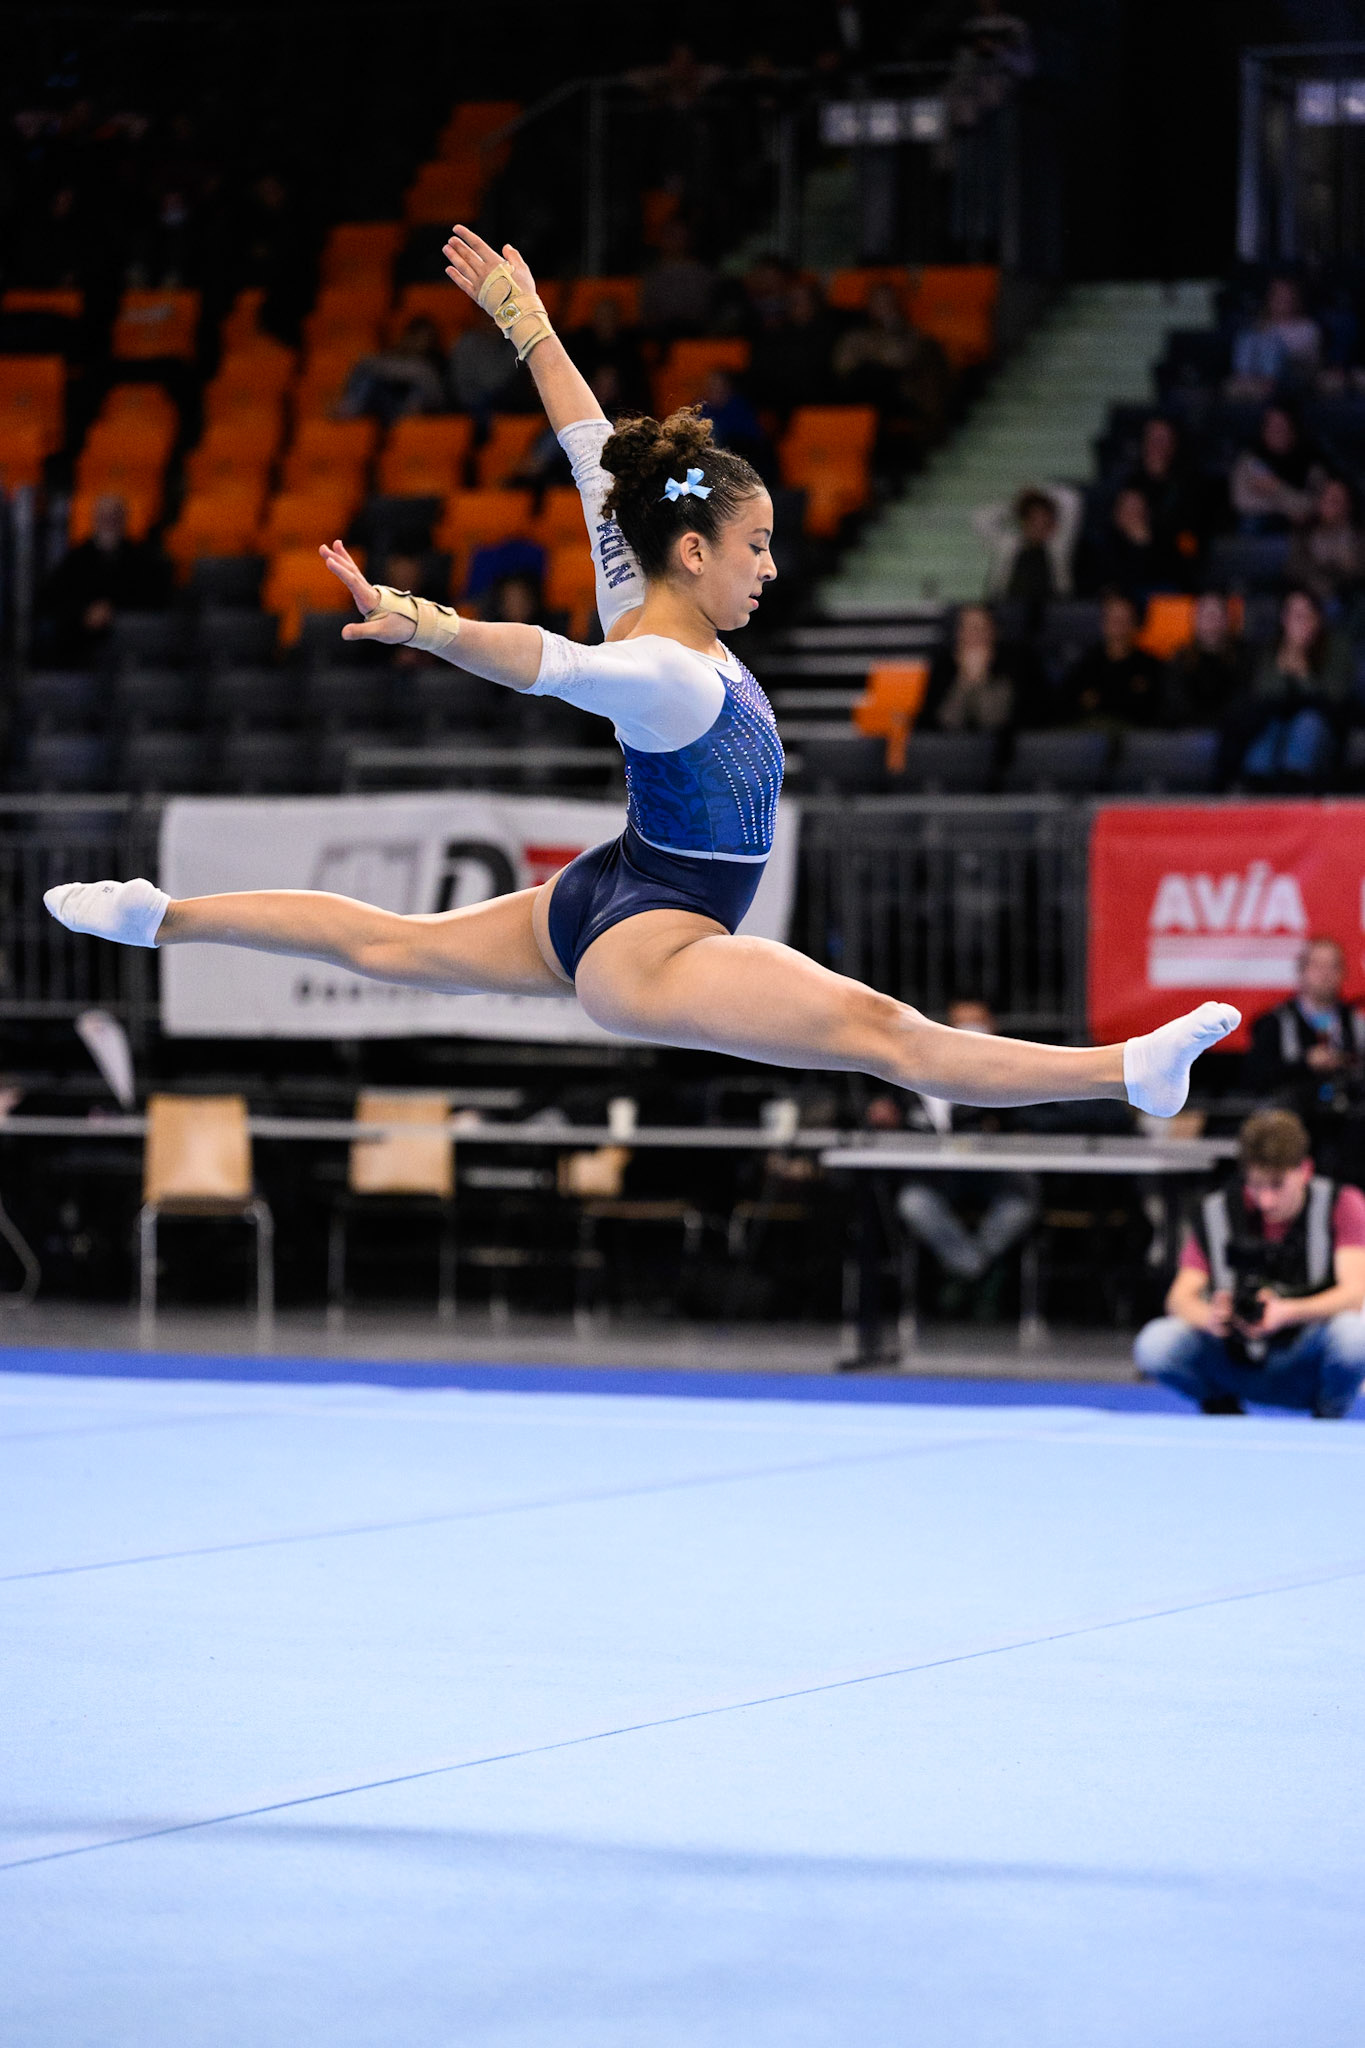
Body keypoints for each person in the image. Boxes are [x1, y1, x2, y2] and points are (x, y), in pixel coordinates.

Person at [44, 224, 1239, 1119]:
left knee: (392, 943)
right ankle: (1129, 1071)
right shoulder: (672, 671)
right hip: (649, 944)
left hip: (613, 889)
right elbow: (541, 662)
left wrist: (527, 322)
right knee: (885, 1030)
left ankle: (161, 917)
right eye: (757, 546)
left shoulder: (638, 591)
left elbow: (587, 445)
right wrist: (427, 623)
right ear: (695, 547)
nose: (770, 569)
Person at [1135, 1109, 1365, 1417]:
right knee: (1155, 1344)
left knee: (1354, 1336)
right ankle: (1223, 1410)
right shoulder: (1216, 1212)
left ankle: (1328, 1414)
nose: (1266, 1200)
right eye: (1256, 1185)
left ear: (1305, 1170)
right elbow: (1179, 1299)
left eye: (1277, 1185)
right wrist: (1212, 1317)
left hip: (1304, 1360)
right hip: (1235, 1357)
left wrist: (1287, 1313)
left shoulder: (1341, 1203)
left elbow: (1354, 1295)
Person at [895, 998, 1041, 1307]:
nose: (968, 1031)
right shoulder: (916, 1067)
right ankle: (975, 1269)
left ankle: (967, 1270)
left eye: (976, 1024)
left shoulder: (1013, 1065)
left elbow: (1029, 1119)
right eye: (960, 1024)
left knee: (1021, 1199)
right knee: (913, 1202)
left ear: (992, 1027)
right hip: (937, 1174)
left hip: (993, 1172)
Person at [1246, 937, 1365, 1179]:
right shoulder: (1275, 1023)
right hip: (1294, 1130)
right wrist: (1305, 1064)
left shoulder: (1356, 1023)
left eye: (1333, 967)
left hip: (1347, 1133)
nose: (1325, 974)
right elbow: (1253, 1078)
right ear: (1301, 972)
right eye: (1317, 966)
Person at [1233, 587, 1353, 789]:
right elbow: (1261, 698)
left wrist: (1303, 673)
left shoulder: (1336, 649)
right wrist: (1284, 667)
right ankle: (1255, 786)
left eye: (1306, 615)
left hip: (1325, 732)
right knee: (1269, 726)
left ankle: (1294, 784)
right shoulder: (1272, 650)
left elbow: (1335, 700)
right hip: (1277, 728)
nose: (1300, 623)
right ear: (1283, 619)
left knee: (1307, 722)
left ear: (1318, 618)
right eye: (1294, 616)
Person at [38, 494, 172, 663]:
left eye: (114, 517)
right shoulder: (76, 559)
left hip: (130, 650)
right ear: (95, 520)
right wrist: (84, 613)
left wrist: (113, 610)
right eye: (104, 517)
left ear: (124, 520)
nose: (109, 523)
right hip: (80, 648)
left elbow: (155, 600)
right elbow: (51, 599)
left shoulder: (142, 560)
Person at [1060, 590, 1165, 727]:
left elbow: (1153, 709)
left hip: (1135, 734)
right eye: (1113, 620)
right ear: (1103, 623)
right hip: (1091, 732)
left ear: (1136, 624)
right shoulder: (1086, 663)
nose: (1118, 628)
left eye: (1125, 621)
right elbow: (1069, 703)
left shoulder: (1150, 665)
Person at [973, 484, 1082, 611]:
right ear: (1024, 523)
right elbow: (980, 518)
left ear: (1053, 524)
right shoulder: (1008, 544)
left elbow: (1073, 500)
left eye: (1045, 522)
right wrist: (1016, 505)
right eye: (1033, 521)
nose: (1039, 527)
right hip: (1007, 608)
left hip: (1052, 612)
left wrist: (1041, 492)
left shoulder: (1058, 546)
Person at [921, 604, 1022, 734]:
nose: (976, 634)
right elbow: (940, 727)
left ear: (994, 631)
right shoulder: (943, 667)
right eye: (968, 627)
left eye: (982, 627)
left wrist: (982, 678)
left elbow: (995, 726)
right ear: (958, 634)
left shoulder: (1015, 664)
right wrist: (963, 681)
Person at [1229, 406, 1323, 533]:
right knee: (1250, 522)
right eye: (1272, 427)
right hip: (1264, 522)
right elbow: (1242, 502)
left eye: (1283, 426)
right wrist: (1288, 509)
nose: (1277, 432)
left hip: (1303, 525)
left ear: (1294, 429)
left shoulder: (1311, 461)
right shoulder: (1250, 459)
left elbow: (1315, 503)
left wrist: (1278, 488)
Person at [339, 317, 449, 424]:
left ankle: (407, 427)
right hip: (389, 408)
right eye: (417, 337)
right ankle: (350, 410)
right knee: (370, 379)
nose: (421, 342)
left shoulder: (436, 360)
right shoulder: (395, 354)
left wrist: (392, 371)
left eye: (426, 338)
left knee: (418, 389)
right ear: (409, 337)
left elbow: (426, 380)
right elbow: (365, 363)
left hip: (423, 412)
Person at [1162, 591, 1249, 726]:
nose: (1211, 620)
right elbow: (1177, 705)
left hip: (1231, 732)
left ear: (1227, 619)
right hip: (1188, 733)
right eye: (1206, 614)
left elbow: (1242, 703)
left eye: (1217, 614)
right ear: (1195, 619)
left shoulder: (1243, 658)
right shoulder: (1180, 658)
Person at [1226, 278, 1322, 400]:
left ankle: (1264, 386)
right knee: (1247, 338)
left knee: (1270, 345)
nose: (1282, 301)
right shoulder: (1259, 327)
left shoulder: (1306, 326)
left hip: (1290, 373)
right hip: (1253, 374)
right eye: (1277, 297)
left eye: (1286, 296)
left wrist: (1277, 347)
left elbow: (1309, 359)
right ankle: (1244, 382)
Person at [1285, 475, 1365, 612]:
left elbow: (1357, 571)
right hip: (1308, 594)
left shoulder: (1358, 537)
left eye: (1336, 500)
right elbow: (1294, 567)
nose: (1329, 503)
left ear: (1348, 504)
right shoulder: (1305, 531)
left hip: (1344, 597)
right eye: (1326, 497)